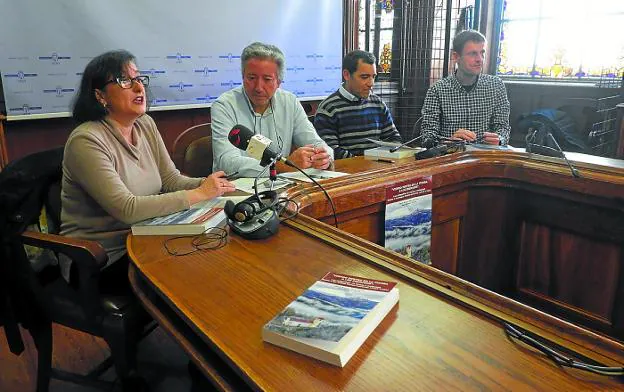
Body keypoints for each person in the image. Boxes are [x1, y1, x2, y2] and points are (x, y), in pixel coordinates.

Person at [61, 49, 235, 281]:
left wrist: (210, 184)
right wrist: (199, 193)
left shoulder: (145, 124)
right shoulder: (86, 140)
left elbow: (170, 180)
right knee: (197, 271)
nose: (139, 87)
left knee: (221, 248)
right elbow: (127, 209)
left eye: (139, 79)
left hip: (149, 235)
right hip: (101, 256)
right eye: (125, 80)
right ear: (100, 95)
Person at [211, 42, 333, 176]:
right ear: (243, 77)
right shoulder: (224, 106)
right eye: (251, 78)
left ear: (279, 82)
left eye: (267, 79)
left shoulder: (289, 102)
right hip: (235, 189)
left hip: (281, 186)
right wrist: (280, 166)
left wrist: (324, 157)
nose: (258, 87)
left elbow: (315, 142)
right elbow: (227, 163)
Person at [420, 30, 511, 146]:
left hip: (484, 157)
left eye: (482, 53)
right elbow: (427, 137)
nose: (480, 59)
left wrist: (500, 139)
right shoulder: (437, 90)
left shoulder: (496, 86)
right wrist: (448, 141)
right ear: (456, 56)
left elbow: (503, 128)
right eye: (473, 53)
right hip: (450, 157)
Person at [314, 50, 402, 159]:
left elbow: (393, 138)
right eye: (364, 77)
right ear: (346, 75)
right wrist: (364, 162)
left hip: (377, 167)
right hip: (346, 172)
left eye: (373, 76)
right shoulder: (329, 108)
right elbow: (330, 150)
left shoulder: (378, 104)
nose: (371, 83)